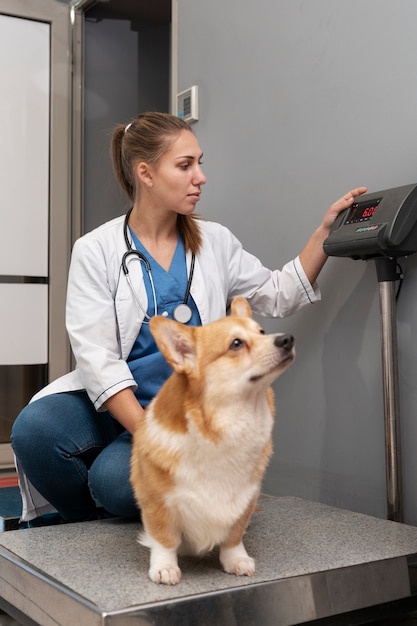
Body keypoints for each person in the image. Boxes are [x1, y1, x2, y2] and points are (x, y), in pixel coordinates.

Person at [11, 111, 367, 525]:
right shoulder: (96, 249)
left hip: (185, 414)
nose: (201, 177)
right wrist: (149, 436)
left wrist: (323, 233)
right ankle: (85, 525)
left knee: (116, 486)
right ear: (145, 173)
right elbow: (97, 358)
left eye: (200, 162)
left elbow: (278, 294)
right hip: (116, 405)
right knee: (34, 432)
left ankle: (132, 496)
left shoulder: (214, 242)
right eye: (185, 165)